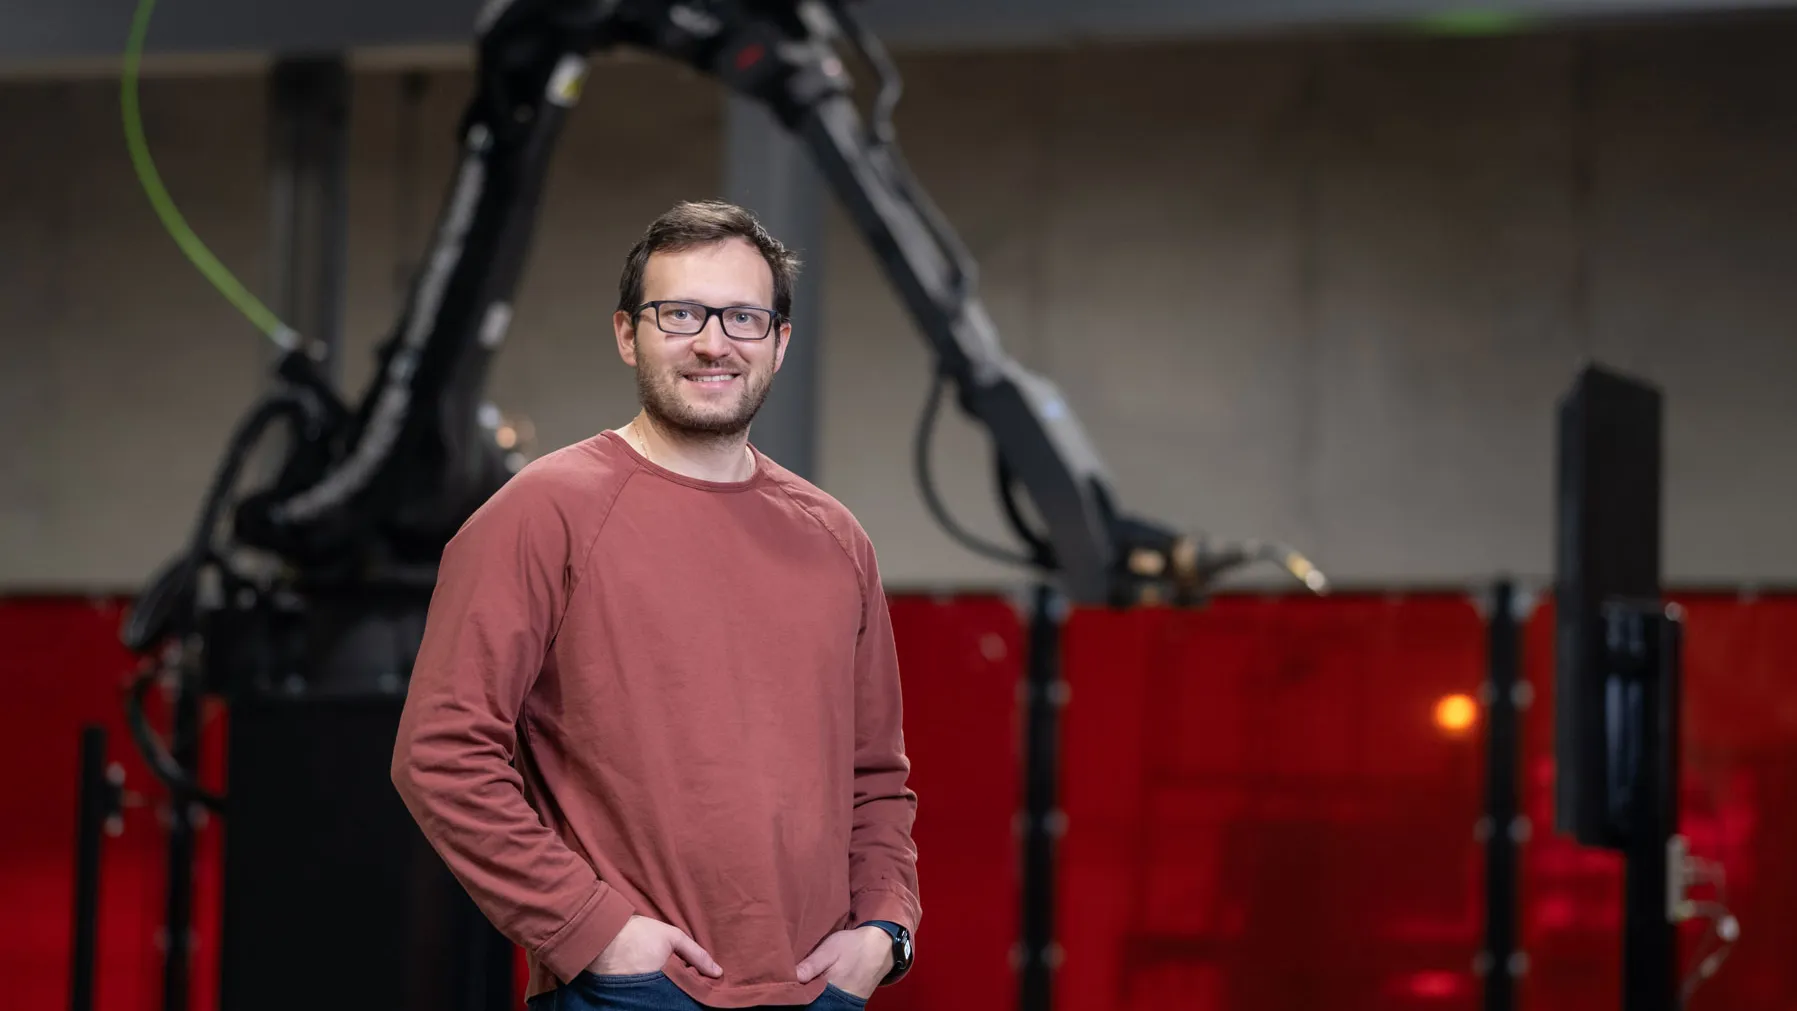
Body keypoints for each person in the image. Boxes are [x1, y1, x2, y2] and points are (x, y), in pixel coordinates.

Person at [391, 200, 921, 1010]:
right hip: (633, 992)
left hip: (818, 991)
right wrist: (593, 928)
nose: (713, 341)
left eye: (742, 317)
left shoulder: (834, 538)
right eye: (680, 313)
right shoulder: (542, 514)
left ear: (779, 342)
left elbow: (876, 777)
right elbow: (441, 754)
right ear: (626, 333)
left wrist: (884, 929)